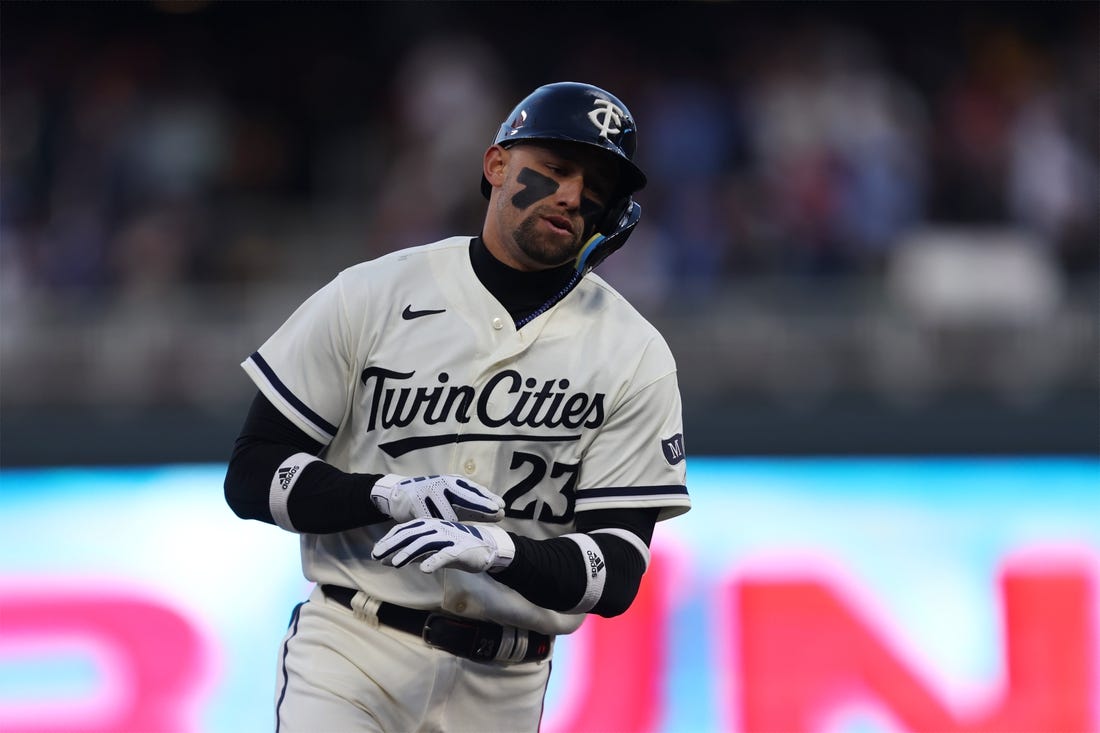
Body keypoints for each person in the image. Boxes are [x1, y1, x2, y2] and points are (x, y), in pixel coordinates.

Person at [223, 81, 691, 732]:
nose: (572, 195)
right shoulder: (373, 295)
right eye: (556, 168)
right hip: (354, 646)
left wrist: (501, 550)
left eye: (596, 187)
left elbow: (618, 568)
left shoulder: (633, 352)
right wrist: (385, 494)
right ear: (496, 164)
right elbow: (253, 473)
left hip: (504, 682)